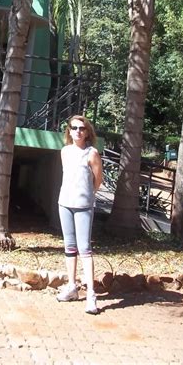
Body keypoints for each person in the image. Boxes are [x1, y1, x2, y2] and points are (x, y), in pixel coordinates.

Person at [56, 114, 103, 314]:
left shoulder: (92, 153)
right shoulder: (65, 151)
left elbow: (98, 180)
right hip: (64, 203)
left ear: (87, 132)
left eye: (81, 128)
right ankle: (72, 286)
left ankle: (91, 295)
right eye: (74, 128)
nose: (77, 131)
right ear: (69, 130)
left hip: (83, 205)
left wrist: (87, 195)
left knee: (85, 248)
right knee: (69, 246)